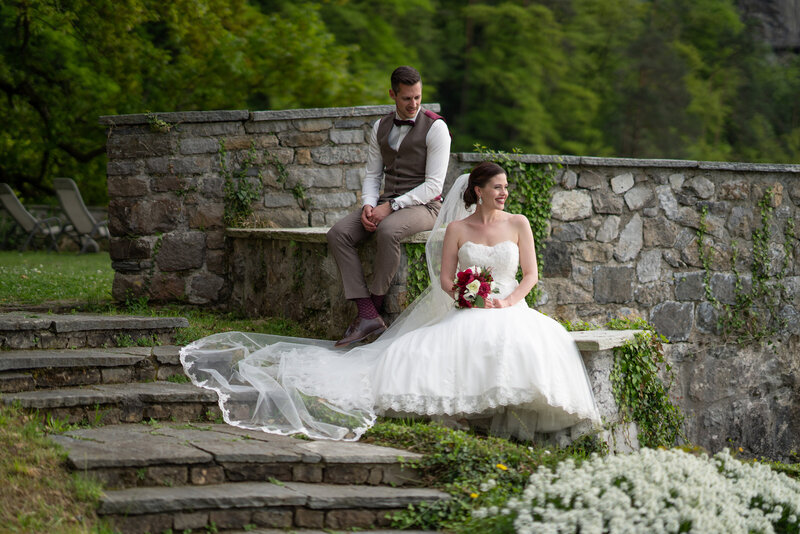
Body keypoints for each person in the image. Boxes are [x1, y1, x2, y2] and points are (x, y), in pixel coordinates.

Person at [181, 162, 601, 443]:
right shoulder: (456, 227)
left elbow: (530, 275)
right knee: (436, 348)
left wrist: (506, 302)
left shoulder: (519, 223)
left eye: (507, 187)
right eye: (498, 187)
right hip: (471, 307)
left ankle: (507, 410)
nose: (505, 193)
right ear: (478, 190)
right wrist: (467, 296)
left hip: (511, 308)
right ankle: (465, 413)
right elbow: (445, 276)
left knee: (526, 342)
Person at [327, 65, 451, 348]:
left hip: (425, 206)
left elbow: (434, 186)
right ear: (393, 94)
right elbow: (373, 175)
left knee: (388, 231)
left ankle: (375, 304)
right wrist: (369, 205)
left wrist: (390, 207)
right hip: (386, 203)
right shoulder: (380, 127)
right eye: (407, 98)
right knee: (338, 234)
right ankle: (367, 313)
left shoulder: (436, 128)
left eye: (418, 97)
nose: (414, 104)